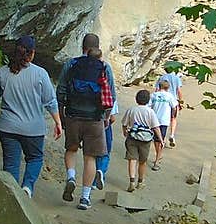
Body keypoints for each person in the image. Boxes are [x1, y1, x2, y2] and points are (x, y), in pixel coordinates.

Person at [0, 35, 61, 198]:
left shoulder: (3, 73)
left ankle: (11, 196)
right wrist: (58, 122)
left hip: (8, 127)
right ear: (32, 53)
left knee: (11, 164)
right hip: (33, 129)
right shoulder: (40, 74)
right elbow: (50, 101)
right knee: (35, 158)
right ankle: (27, 187)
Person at [55, 31, 114, 211]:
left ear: (82, 47)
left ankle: (71, 176)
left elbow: (61, 91)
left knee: (71, 150)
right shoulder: (104, 67)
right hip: (94, 118)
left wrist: (61, 114)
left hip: (73, 115)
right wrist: (105, 117)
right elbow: (111, 95)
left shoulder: (71, 64)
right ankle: (85, 197)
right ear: (98, 48)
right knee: (90, 158)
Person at [89, 47, 119, 192]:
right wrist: (108, 117)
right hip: (103, 119)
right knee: (105, 150)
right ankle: (100, 172)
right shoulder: (106, 74)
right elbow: (112, 101)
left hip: (86, 117)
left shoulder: (82, 71)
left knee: (91, 152)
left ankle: (91, 180)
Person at [122, 89, 161, 193]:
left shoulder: (131, 110)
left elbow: (124, 124)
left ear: (136, 99)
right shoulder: (150, 111)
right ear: (148, 100)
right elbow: (156, 127)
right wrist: (160, 139)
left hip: (132, 137)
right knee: (142, 161)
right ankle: (140, 182)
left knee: (132, 159)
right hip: (145, 139)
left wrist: (125, 132)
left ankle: (131, 181)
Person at [149, 78, 176, 170]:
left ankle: (157, 158)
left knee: (156, 139)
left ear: (159, 86)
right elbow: (174, 106)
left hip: (154, 120)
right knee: (160, 139)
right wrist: (173, 115)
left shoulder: (153, 95)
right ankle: (158, 156)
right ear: (168, 88)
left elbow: (148, 106)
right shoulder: (170, 96)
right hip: (164, 120)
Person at [156, 60, 184, 146]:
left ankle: (158, 136)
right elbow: (179, 91)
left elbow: (157, 90)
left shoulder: (161, 78)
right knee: (173, 119)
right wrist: (181, 101)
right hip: (173, 101)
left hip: (163, 101)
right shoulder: (176, 78)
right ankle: (171, 135)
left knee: (161, 118)